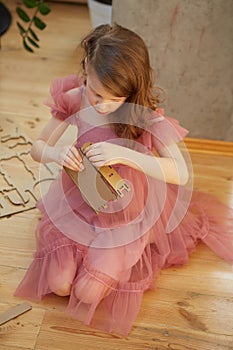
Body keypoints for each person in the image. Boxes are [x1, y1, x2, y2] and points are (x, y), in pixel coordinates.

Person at [15, 24, 233, 336]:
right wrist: (57, 154)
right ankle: (83, 255)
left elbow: (180, 172)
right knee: (60, 285)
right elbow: (38, 148)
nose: (103, 104)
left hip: (126, 212)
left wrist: (129, 155)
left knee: (87, 292)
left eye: (116, 98)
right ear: (87, 68)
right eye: (97, 93)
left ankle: (106, 256)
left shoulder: (142, 114)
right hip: (81, 197)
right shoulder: (76, 96)